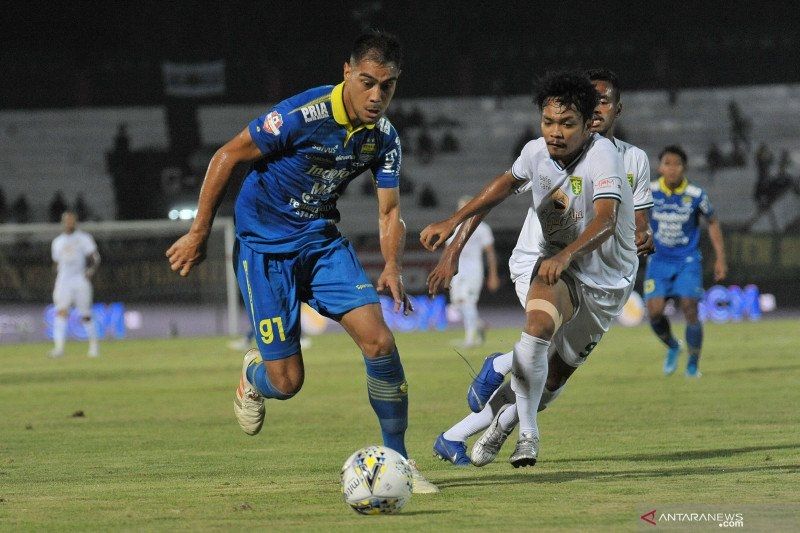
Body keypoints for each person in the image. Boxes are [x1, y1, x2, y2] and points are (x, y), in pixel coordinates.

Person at [165, 30, 437, 493]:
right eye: (367, 82)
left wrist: (391, 264)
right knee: (287, 382)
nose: (376, 96)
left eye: (387, 86)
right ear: (347, 72)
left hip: (319, 243)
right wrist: (198, 232)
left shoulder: (384, 139)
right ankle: (254, 374)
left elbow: (390, 211)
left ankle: (401, 460)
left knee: (380, 342)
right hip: (264, 250)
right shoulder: (301, 115)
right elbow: (227, 155)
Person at [429, 68, 654, 467]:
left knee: (549, 380)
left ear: (594, 121)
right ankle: (528, 436)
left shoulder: (614, 157)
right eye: (549, 122)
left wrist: (635, 235)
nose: (555, 131)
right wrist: (453, 231)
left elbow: (606, 220)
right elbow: (498, 189)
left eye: (567, 123)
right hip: (548, 263)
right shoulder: (537, 153)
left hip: (608, 281)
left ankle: (483, 416)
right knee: (537, 332)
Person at [645, 145, 727, 377]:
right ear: (660, 167)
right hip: (658, 260)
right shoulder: (649, 191)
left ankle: (692, 364)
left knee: (690, 308)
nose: (672, 169)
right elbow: (636, 216)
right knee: (654, 312)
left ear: (684, 167)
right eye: (667, 164)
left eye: (677, 164)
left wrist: (720, 258)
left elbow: (712, 221)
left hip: (687, 259)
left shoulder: (696, 194)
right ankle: (673, 346)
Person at [446, 195, 500, 349]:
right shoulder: (454, 227)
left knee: (467, 301)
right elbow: (449, 253)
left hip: (473, 270)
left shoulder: (482, 228)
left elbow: (490, 253)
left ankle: (470, 338)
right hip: (457, 271)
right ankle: (479, 325)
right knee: (457, 303)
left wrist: (493, 274)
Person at [50, 211, 101, 358]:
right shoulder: (57, 242)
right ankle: (59, 349)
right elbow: (56, 262)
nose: (69, 223)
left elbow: (95, 258)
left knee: (85, 314)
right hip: (63, 280)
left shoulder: (83, 238)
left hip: (79, 279)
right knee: (61, 312)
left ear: (75, 222)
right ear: (63, 222)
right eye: (67, 220)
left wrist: (90, 271)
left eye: (72, 220)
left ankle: (94, 347)